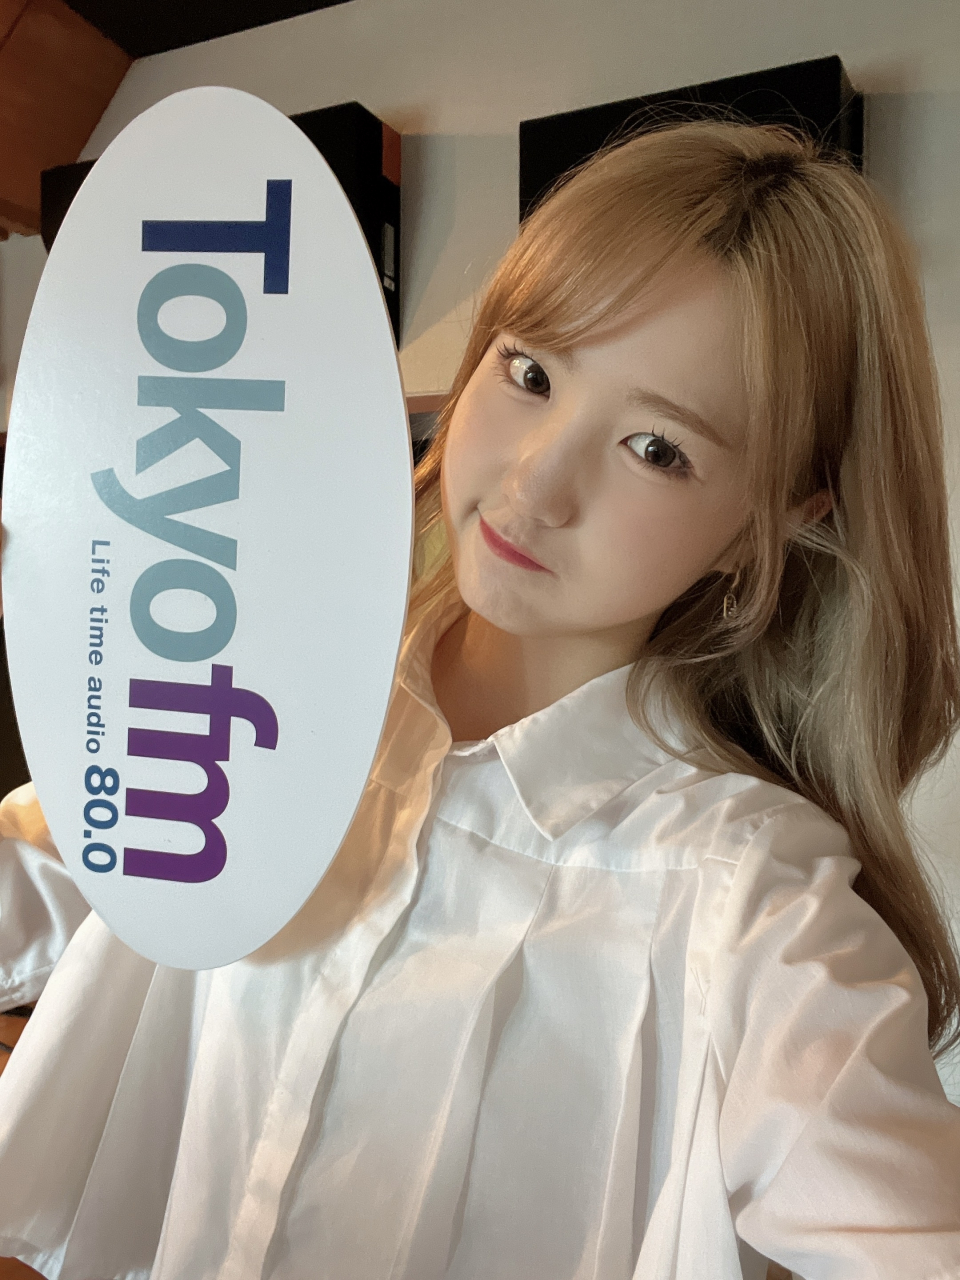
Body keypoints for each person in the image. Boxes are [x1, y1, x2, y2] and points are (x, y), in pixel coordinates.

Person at [0, 117, 959, 1280]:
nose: (535, 481)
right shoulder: (259, 684)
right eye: (531, 371)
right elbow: (50, 870)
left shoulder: (752, 907)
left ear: (777, 521)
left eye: (658, 448)